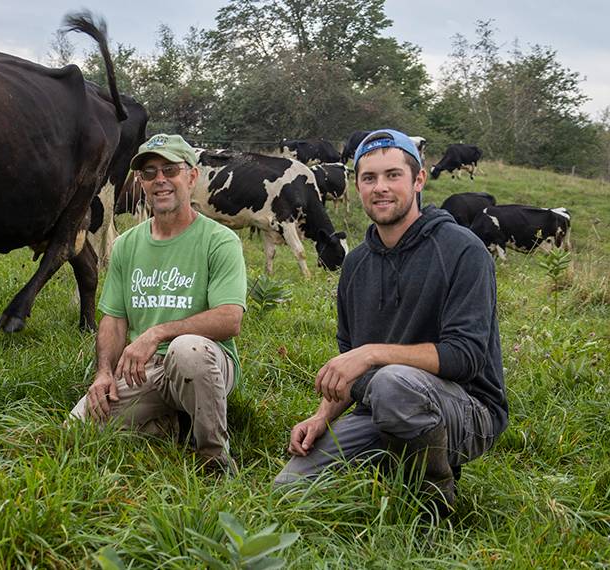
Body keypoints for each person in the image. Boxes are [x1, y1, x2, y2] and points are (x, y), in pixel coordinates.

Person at [273, 129, 507, 517]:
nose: (380, 188)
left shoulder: (463, 250)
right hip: (380, 407)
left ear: (419, 180)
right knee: (288, 491)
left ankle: (433, 504)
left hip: (468, 411)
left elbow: (464, 357)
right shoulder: (355, 264)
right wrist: (320, 417)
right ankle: (397, 457)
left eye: (393, 175)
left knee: (391, 381)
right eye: (369, 178)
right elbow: (352, 365)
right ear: (357, 185)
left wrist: (371, 355)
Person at [68, 134, 247, 473]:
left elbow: (229, 319)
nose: (160, 180)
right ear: (140, 183)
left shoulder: (220, 240)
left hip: (204, 363)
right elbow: (114, 319)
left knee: (186, 349)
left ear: (191, 177)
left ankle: (213, 456)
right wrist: (104, 372)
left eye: (170, 169)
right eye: (149, 173)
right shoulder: (126, 245)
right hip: (143, 370)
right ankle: (173, 425)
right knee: (79, 432)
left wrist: (158, 333)